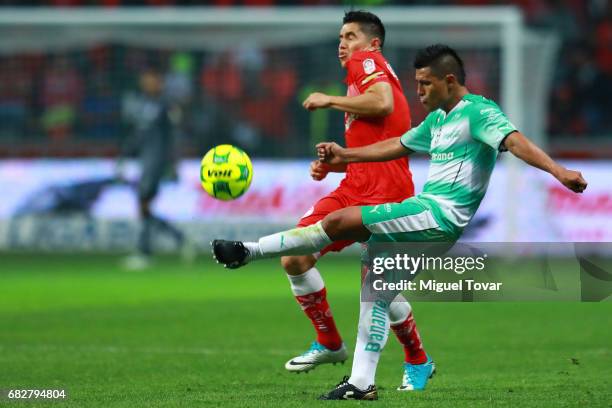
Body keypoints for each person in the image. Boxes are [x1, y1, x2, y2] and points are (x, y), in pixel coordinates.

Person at [212, 44, 588, 400]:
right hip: (431, 220)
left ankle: (247, 251)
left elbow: (515, 140)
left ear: (450, 81)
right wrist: (346, 155)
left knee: (341, 220)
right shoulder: (438, 119)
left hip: (437, 214)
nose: (419, 91)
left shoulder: (479, 111)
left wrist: (559, 171)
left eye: (426, 83)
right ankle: (362, 383)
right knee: (375, 288)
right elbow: (397, 145)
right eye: (417, 82)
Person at [277, 10, 432, 387]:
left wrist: (327, 100)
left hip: (387, 193)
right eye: (340, 37)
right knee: (295, 256)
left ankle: (415, 360)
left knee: (377, 287)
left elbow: (383, 105)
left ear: (373, 42)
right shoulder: (360, 74)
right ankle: (330, 342)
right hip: (357, 187)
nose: (342, 43)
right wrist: (337, 165)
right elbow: (379, 134)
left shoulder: (368, 62)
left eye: (350, 36)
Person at [120, 68, 189, 270]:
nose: (147, 83)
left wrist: (174, 164)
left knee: (143, 205)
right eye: (145, 79)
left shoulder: (167, 105)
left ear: (159, 82)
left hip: (157, 161)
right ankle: (178, 238)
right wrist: (125, 155)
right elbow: (137, 134)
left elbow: (174, 137)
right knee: (144, 207)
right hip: (145, 161)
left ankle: (145, 252)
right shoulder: (142, 104)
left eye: (151, 79)